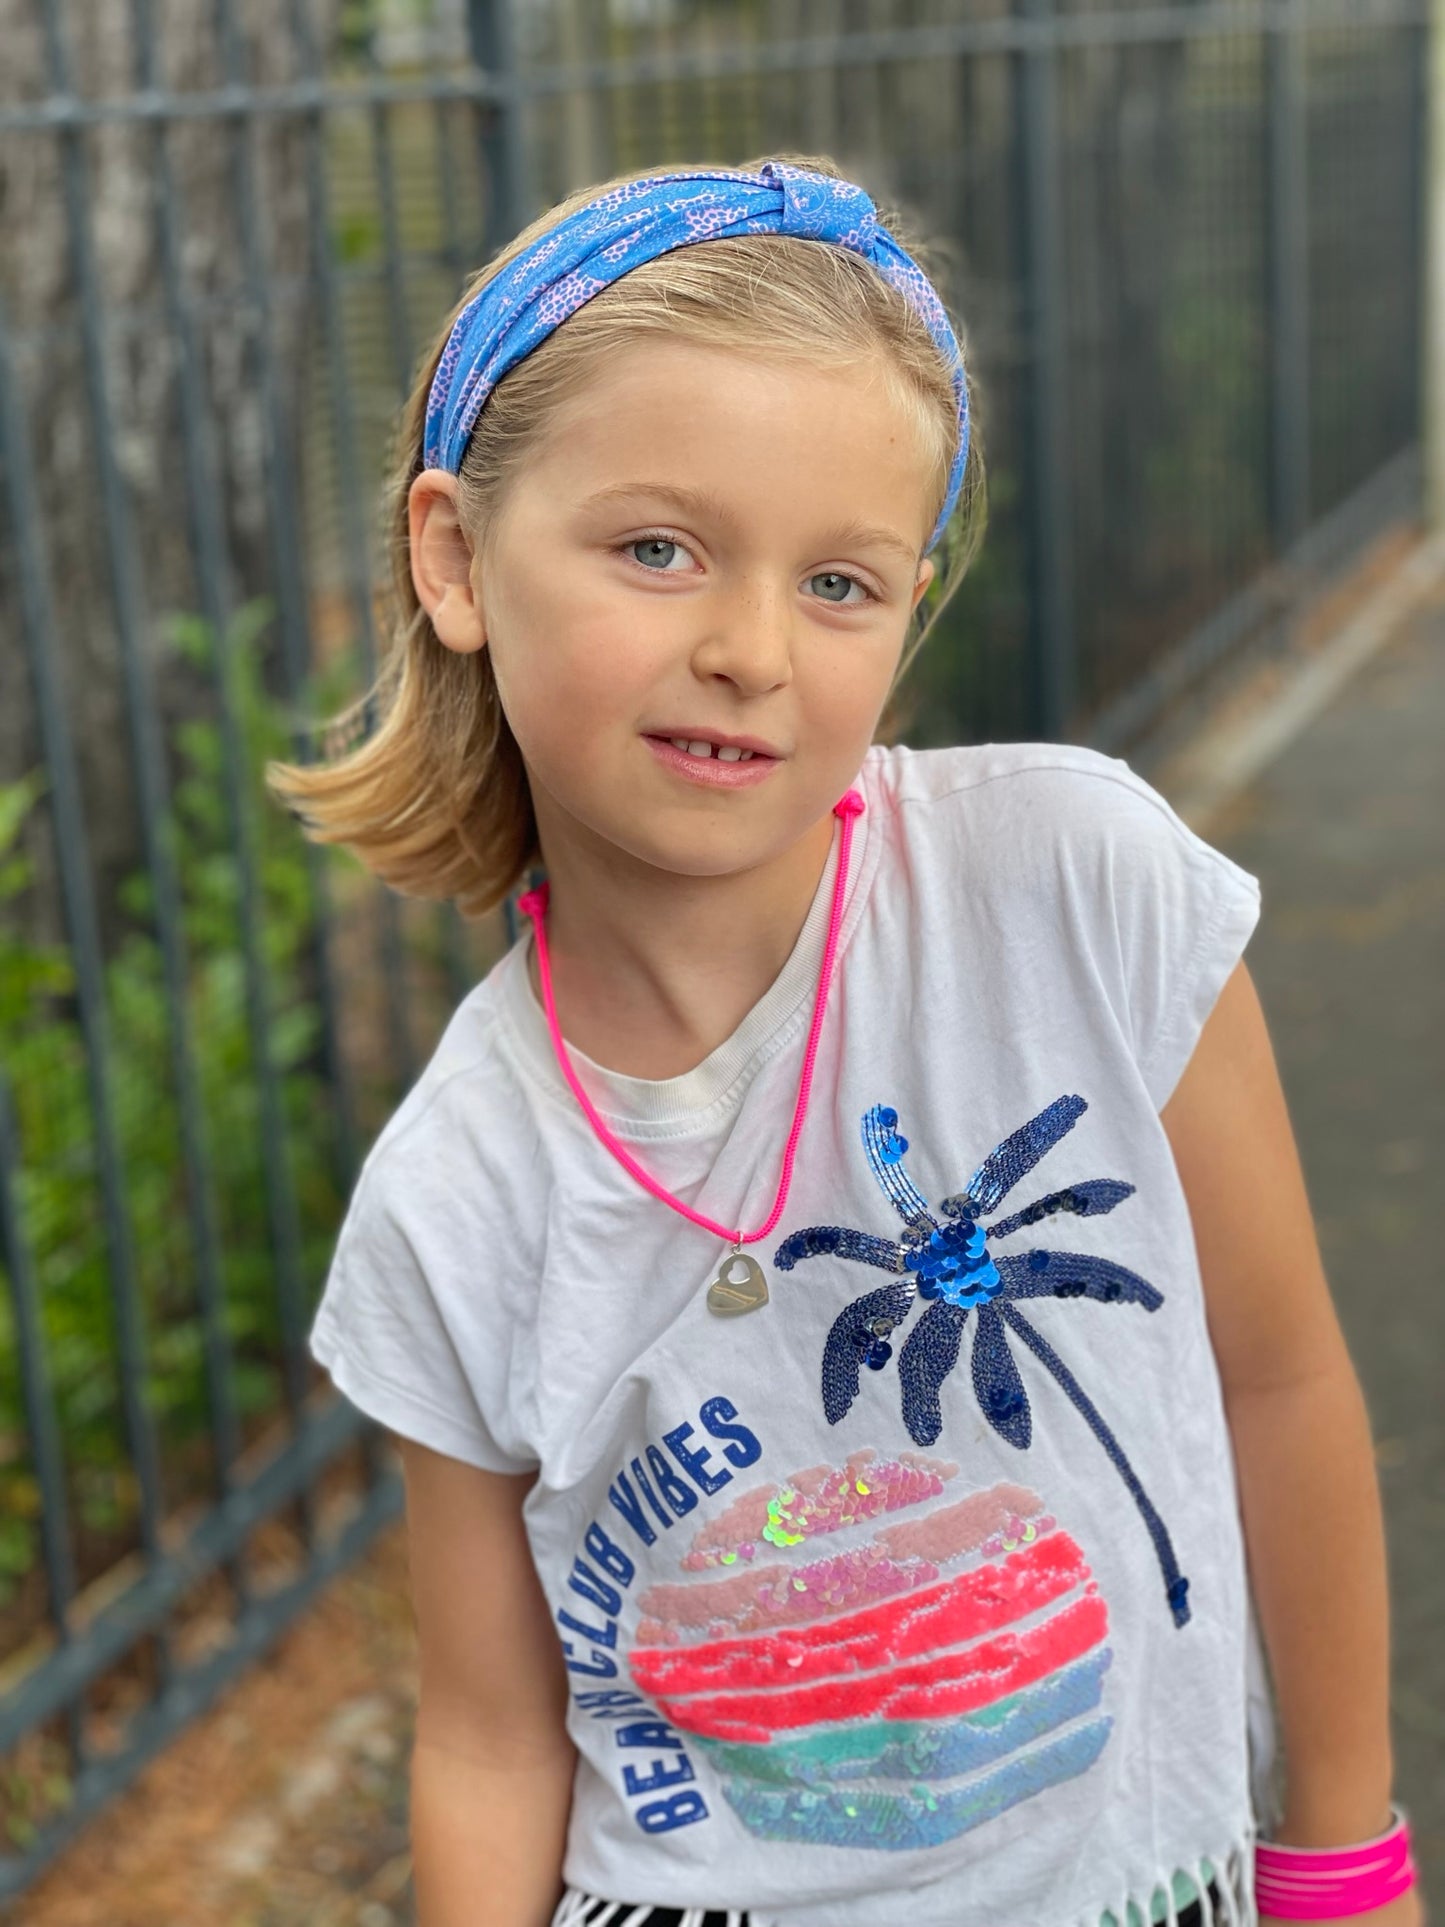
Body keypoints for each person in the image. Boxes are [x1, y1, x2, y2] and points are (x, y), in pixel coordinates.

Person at [269, 157, 1421, 1927]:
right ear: (455, 559)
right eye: (657, 549)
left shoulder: (1078, 889)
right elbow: (495, 1743)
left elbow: (1278, 1387)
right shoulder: (454, 1193)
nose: (746, 649)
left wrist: (1341, 1858)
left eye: (838, 584)